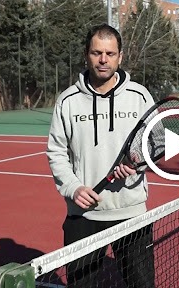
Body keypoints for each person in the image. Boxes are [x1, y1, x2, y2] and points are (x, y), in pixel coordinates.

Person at [46, 23, 155, 288]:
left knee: (141, 285)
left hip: (132, 214)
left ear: (120, 56)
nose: (103, 60)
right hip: (83, 216)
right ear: (87, 54)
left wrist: (137, 162)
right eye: (97, 53)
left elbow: (158, 142)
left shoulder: (140, 96)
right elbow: (56, 152)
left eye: (110, 53)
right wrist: (73, 188)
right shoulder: (68, 100)